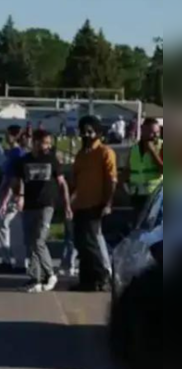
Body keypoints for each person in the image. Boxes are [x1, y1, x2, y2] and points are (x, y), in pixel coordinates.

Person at [3, 130, 72, 293]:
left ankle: (50, 274)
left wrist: (67, 205)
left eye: (49, 143)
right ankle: (36, 278)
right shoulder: (23, 161)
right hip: (29, 205)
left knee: (39, 240)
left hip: (46, 204)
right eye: (44, 143)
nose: (47, 146)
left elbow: (62, 183)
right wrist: (19, 196)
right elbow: (16, 180)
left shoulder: (52, 160)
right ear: (35, 142)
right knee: (30, 242)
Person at [70, 116, 117, 293]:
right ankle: (86, 280)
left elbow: (112, 180)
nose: (86, 135)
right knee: (81, 244)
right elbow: (75, 180)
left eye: (90, 131)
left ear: (98, 133)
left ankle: (102, 277)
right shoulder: (81, 155)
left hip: (96, 204)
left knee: (91, 243)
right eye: (83, 131)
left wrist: (108, 203)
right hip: (80, 204)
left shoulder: (105, 152)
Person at [0, 125, 27, 274]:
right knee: (7, 228)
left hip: (13, 196)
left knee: (5, 226)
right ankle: (13, 261)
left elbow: (13, 179)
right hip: (10, 194)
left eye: (7, 134)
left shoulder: (16, 154)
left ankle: (11, 261)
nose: (6, 137)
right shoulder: (13, 153)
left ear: (13, 136)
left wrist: (4, 200)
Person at [126, 118, 163, 221]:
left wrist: (152, 152)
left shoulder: (161, 146)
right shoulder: (134, 148)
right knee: (137, 223)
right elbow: (128, 169)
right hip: (136, 194)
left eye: (157, 132)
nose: (155, 136)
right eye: (152, 132)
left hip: (154, 194)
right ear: (143, 130)